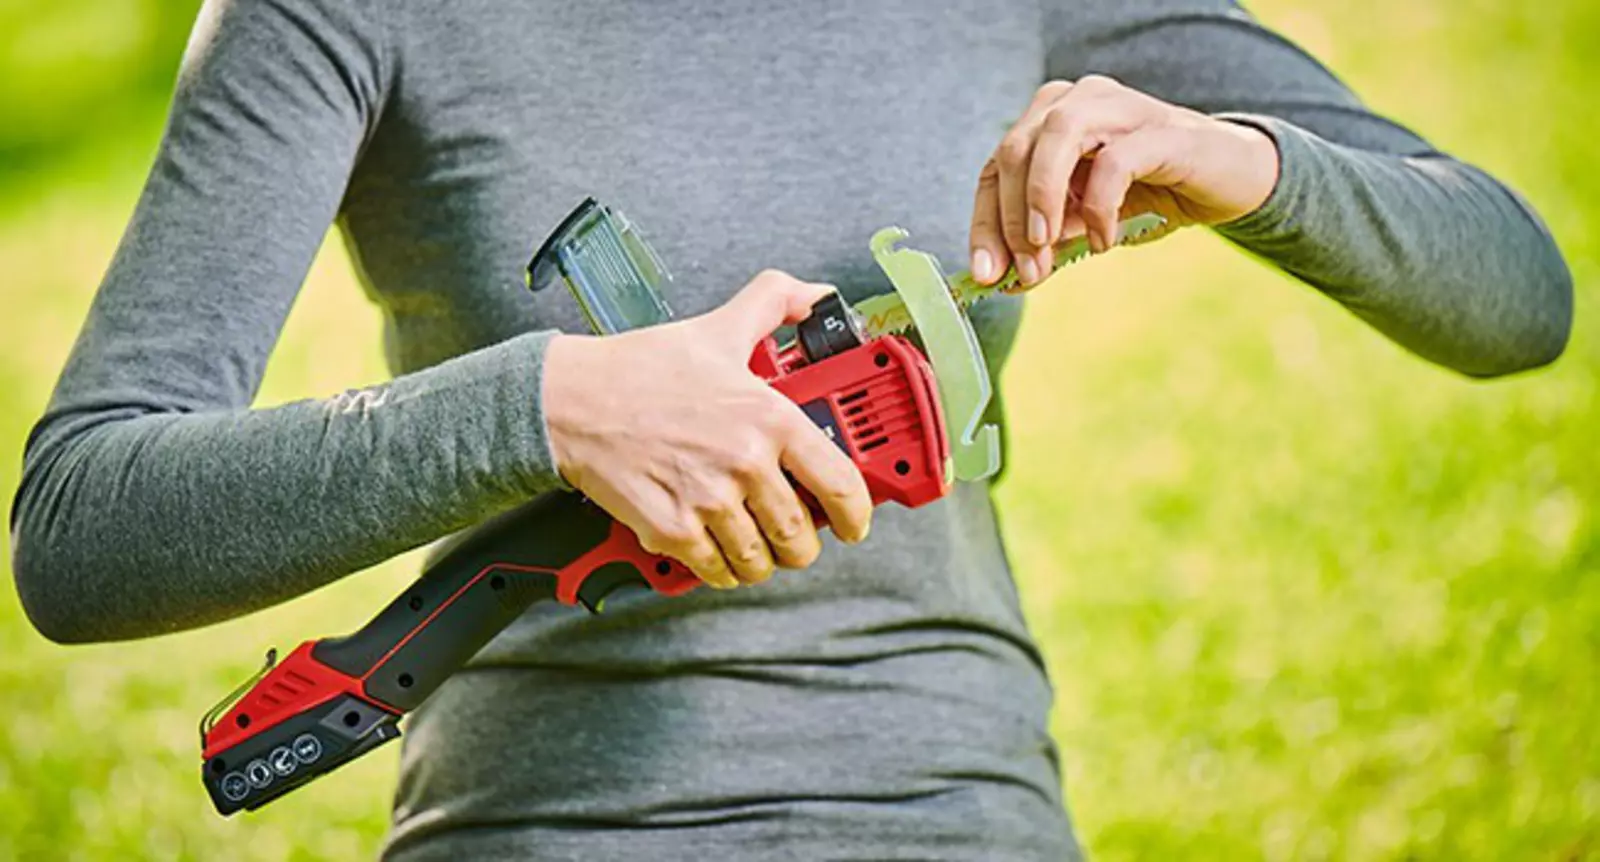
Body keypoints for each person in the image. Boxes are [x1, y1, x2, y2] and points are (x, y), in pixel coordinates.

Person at [10, 0, 1571, 859]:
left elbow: (1517, 295)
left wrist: (1245, 158)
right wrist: (548, 404)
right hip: (546, 827)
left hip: (960, 816)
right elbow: (84, 530)